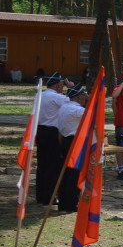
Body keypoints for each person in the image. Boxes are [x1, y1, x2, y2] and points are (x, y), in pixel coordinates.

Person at [56, 83, 89, 212]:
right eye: (84, 97)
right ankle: (72, 203)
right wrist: (89, 97)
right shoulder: (78, 110)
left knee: (65, 173)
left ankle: (63, 202)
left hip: (64, 140)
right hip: (75, 142)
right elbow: (94, 113)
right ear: (80, 97)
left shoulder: (63, 107)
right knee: (74, 174)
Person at [36, 72, 68, 204]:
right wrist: (71, 87)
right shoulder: (57, 97)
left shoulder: (40, 95)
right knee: (53, 165)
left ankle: (40, 195)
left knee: (42, 164)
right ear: (58, 85)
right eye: (62, 86)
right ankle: (50, 196)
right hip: (53, 132)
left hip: (41, 131)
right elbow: (74, 101)